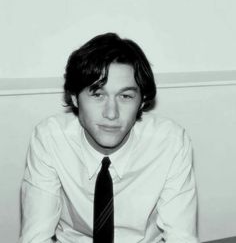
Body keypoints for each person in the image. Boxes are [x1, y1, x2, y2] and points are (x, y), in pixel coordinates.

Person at [19, 33, 199, 243]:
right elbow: (36, 237)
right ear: (75, 97)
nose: (111, 113)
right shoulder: (50, 139)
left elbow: (181, 237)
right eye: (97, 94)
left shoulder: (170, 143)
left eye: (126, 96)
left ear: (141, 102)